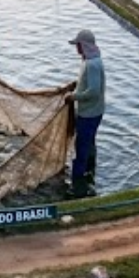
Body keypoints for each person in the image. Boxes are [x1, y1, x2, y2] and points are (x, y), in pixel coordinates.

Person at [61, 29, 106, 195]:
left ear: (84, 45)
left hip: (89, 114)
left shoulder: (92, 64)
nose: (77, 48)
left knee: (81, 147)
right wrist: (76, 84)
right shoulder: (90, 60)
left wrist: (74, 97)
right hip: (95, 111)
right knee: (89, 144)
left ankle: (77, 185)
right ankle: (90, 173)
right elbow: (87, 83)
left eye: (78, 45)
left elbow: (93, 91)